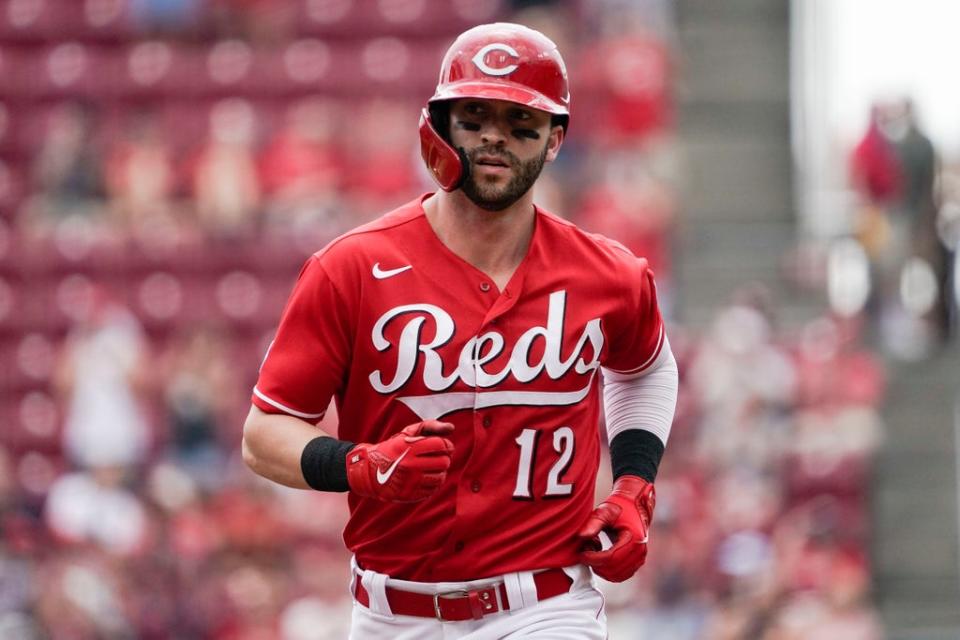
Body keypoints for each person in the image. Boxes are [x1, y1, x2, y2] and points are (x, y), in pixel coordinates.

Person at [242, 22, 679, 639]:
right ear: (438, 125)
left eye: (520, 122)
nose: (495, 137)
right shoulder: (351, 268)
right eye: (475, 117)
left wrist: (634, 483)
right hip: (393, 613)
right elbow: (264, 435)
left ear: (555, 140)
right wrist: (358, 464)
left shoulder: (608, 272)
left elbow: (646, 367)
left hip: (547, 606)